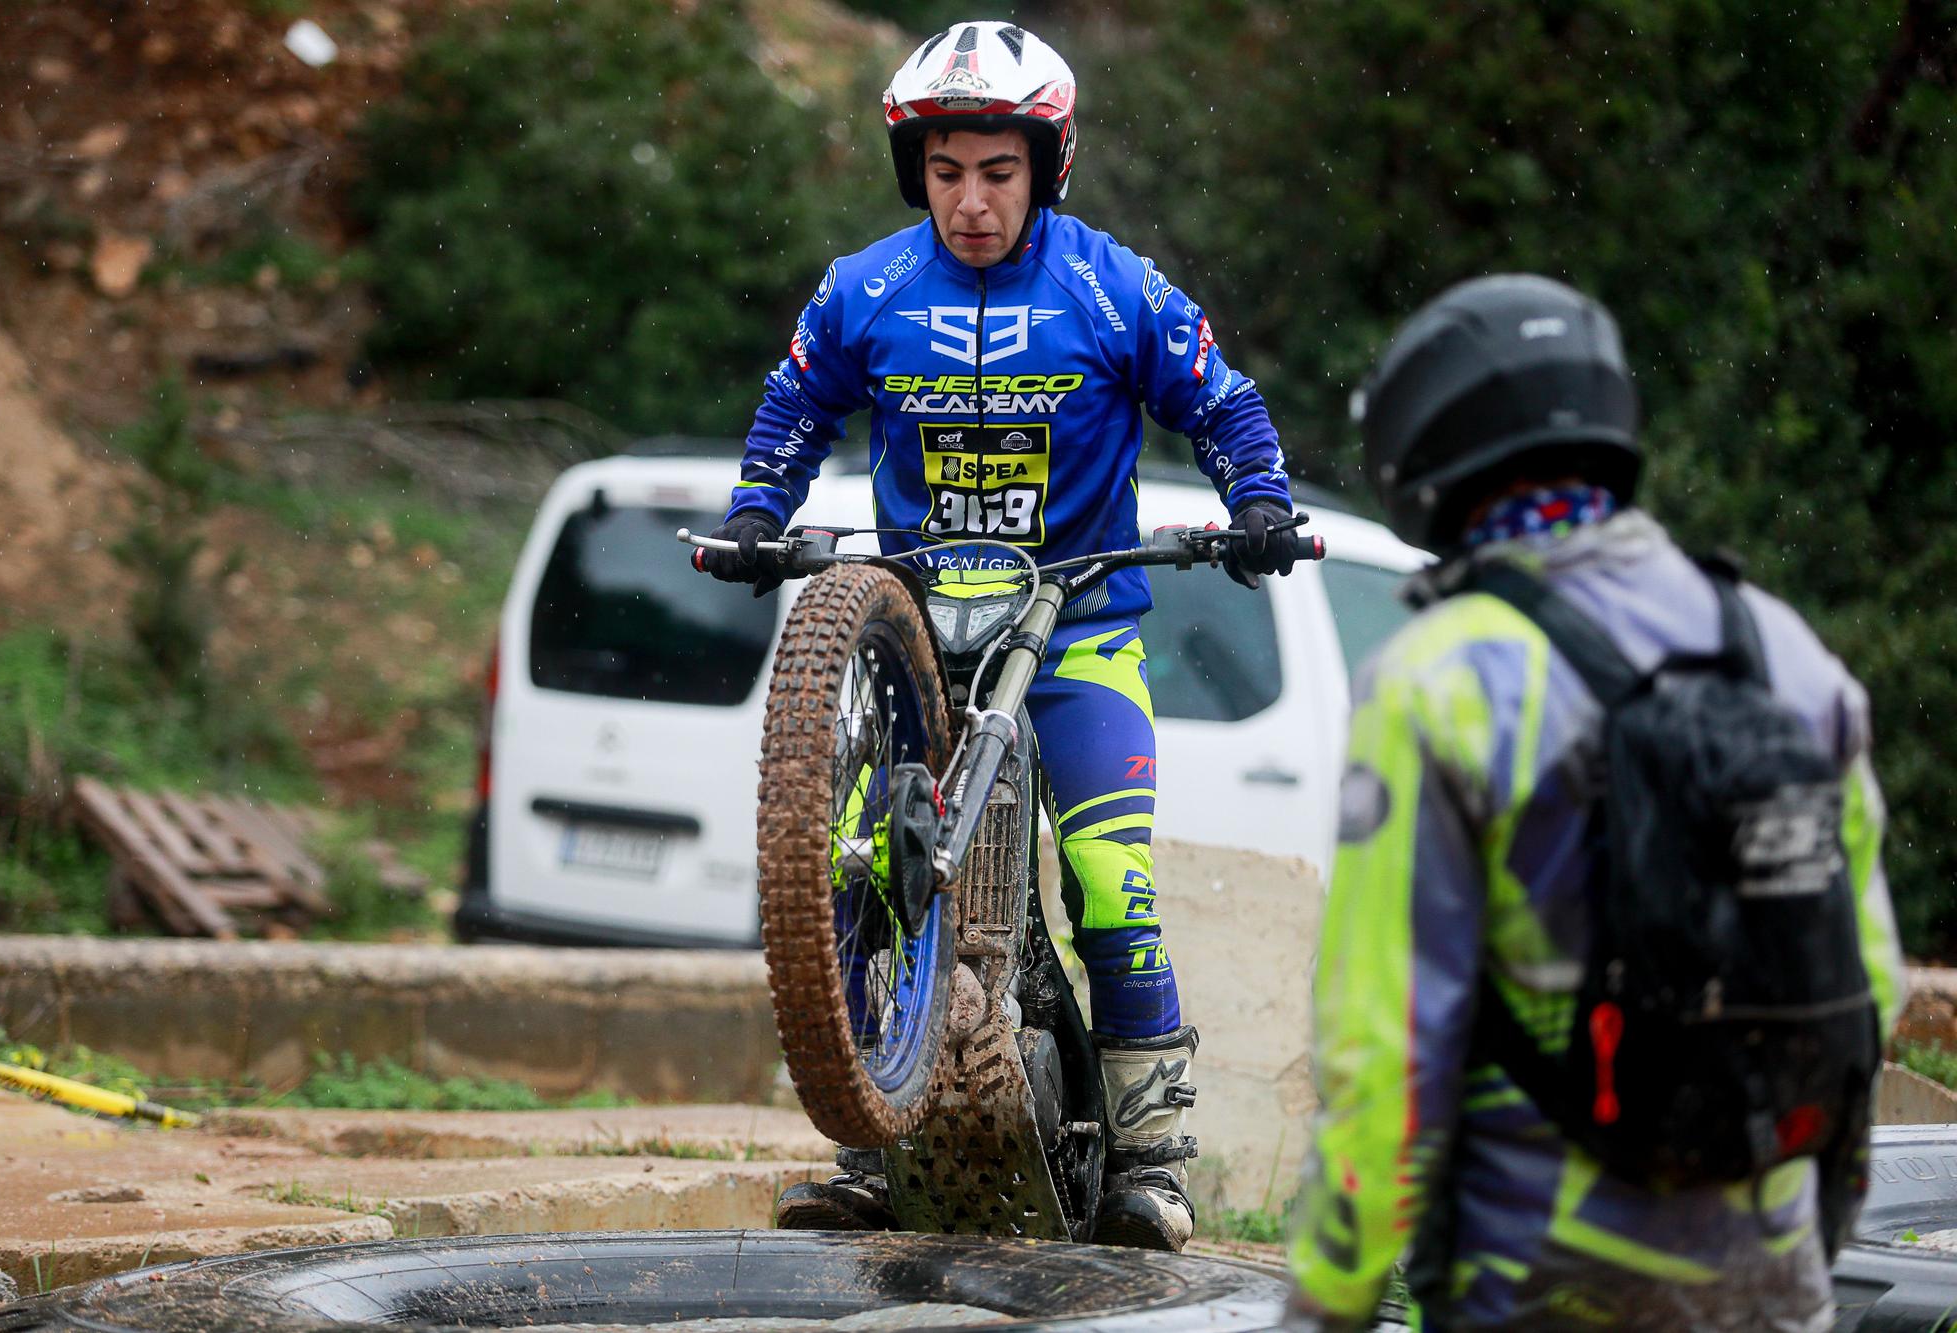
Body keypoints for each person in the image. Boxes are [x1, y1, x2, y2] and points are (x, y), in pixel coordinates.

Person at [699, 21, 1300, 1251]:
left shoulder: (1110, 285)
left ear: (1046, 165)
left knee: (1111, 892)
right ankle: (869, 1148)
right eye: (945, 172)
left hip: (1076, 633)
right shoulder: (863, 288)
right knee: (863, 877)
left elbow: (1223, 402)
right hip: (919, 637)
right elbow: (791, 405)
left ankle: (1152, 1163)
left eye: (997, 172)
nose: (970, 201)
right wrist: (756, 512)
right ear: (913, 173)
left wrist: (1259, 505)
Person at [1280, 273, 1904, 1330]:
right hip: (1768, 1279)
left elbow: (1389, 1052)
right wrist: (1811, 1228)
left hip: (1533, 1278)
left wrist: (1324, 1302)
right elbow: (1862, 994)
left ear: (1425, 455)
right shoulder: (1788, 655)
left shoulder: (1439, 681)